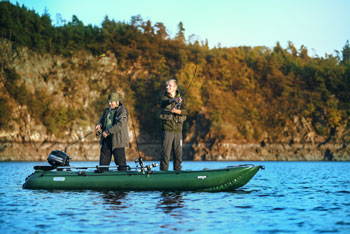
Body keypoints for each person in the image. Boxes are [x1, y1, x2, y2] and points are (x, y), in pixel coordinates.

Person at [95, 92, 129, 171]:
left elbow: (120, 124)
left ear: (117, 102)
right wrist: (99, 125)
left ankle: (123, 179)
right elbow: (101, 121)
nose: (110, 103)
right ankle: (103, 178)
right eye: (109, 102)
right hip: (106, 140)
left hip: (118, 142)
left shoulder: (122, 111)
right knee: (102, 165)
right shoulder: (106, 111)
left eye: (112, 102)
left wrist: (107, 132)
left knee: (121, 165)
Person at [159, 79, 187, 171]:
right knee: (165, 155)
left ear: (175, 87)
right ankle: (163, 174)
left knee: (178, 155)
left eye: (170, 86)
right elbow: (162, 103)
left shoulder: (182, 99)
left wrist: (179, 111)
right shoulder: (163, 97)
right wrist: (173, 100)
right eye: (167, 85)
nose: (168, 87)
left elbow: (186, 111)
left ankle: (177, 173)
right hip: (167, 130)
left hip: (178, 131)